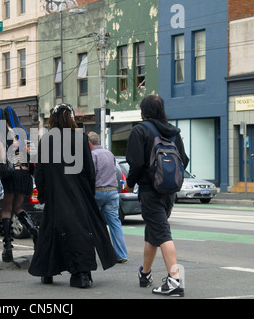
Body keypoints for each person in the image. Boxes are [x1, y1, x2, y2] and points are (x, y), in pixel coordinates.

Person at [28, 103, 117, 288]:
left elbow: (40, 172)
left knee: (50, 233)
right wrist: (88, 192)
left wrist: (42, 193)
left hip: (55, 195)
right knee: (80, 233)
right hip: (78, 194)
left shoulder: (46, 140)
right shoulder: (80, 138)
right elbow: (89, 170)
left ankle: (47, 270)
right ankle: (81, 273)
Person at [125, 95, 189, 297]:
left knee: (161, 233)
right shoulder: (174, 133)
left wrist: (130, 182)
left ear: (143, 111)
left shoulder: (140, 130)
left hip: (149, 190)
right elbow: (184, 161)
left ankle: (175, 281)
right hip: (169, 191)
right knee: (153, 233)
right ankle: (145, 274)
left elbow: (135, 163)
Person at [0, 106, 38, 262]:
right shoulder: (22, 132)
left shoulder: (0, 134)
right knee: (18, 207)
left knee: (6, 209)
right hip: (25, 175)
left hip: (11, 174)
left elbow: (3, 157)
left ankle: (8, 248)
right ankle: (33, 230)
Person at [88, 131, 128, 263]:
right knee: (115, 223)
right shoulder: (110, 154)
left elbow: (91, 175)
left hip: (97, 192)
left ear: (89, 143)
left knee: (91, 223)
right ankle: (121, 254)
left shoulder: (92, 155)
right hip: (112, 192)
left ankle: (91, 255)